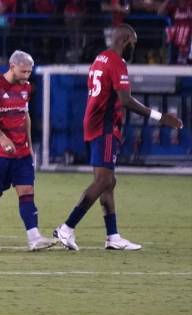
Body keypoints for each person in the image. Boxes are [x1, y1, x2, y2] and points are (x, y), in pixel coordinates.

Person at [53, 26, 183, 251]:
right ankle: (66, 228)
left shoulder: (100, 58)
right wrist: (160, 117)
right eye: (133, 42)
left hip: (93, 122)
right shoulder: (117, 62)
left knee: (108, 181)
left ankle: (113, 237)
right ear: (124, 40)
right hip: (105, 125)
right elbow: (125, 100)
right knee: (103, 181)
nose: (134, 47)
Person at [0, 50, 56, 252]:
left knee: (27, 192)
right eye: (24, 71)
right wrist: (2, 137)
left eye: (29, 72)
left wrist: (29, 145)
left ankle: (34, 237)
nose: (27, 76)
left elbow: (25, 115)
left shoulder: (27, 87)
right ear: (12, 66)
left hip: (21, 152)